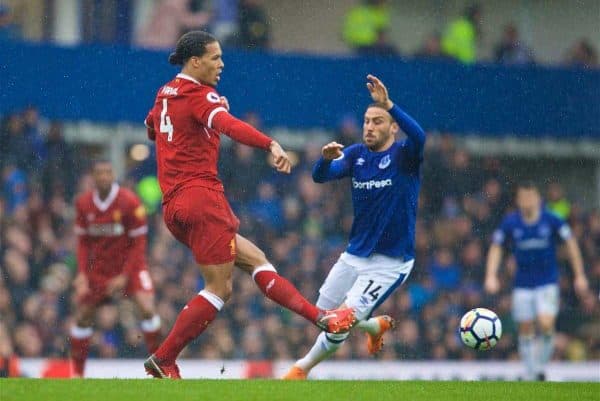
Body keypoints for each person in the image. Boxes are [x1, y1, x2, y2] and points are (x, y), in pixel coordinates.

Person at [143, 30, 355, 379]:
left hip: (175, 207)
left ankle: (322, 318)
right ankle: (164, 358)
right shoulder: (199, 95)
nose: (221, 64)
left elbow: (153, 127)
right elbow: (226, 125)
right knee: (220, 288)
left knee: (256, 260)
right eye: (215, 58)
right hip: (201, 198)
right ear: (195, 62)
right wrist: (269, 144)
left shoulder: (164, 93)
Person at [283, 74, 427, 379]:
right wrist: (323, 161)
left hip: (391, 261)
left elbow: (421, 137)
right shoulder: (356, 155)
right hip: (356, 253)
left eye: (377, 121)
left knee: (341, 321)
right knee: (321, 312)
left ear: (392, 127)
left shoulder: (404, 155)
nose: (370, 127)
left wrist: (388, 103)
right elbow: (320, 177)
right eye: (366, 121)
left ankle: (300, 369)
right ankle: (374, 325)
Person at [484, 182, 589, 381]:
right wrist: (491, 275)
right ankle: (531, 372)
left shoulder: (551, 220)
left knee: (545, 322)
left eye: (530, 197)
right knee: (525, 327)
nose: (526, 201)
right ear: (518, 200)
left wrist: (580, 275)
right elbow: (496, 247)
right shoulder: (511, 223)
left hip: (547, 281)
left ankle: (539, 366)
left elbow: (571, 244)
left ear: (538, 199)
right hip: (522, 284)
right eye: (523, 197)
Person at [70, 160, 161, 378]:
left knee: (147, 308)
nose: (103, 177)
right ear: (93, 176)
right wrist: (82, 274)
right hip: (100, 268)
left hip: (131, 265)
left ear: (113, 175)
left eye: (107, 173)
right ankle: (77, 374)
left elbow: (138, 244)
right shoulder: (83, 204)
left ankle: (160, 367)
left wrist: (125, 275)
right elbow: (83, 243)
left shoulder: (129, 202)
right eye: (99, 173)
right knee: (83, 316)